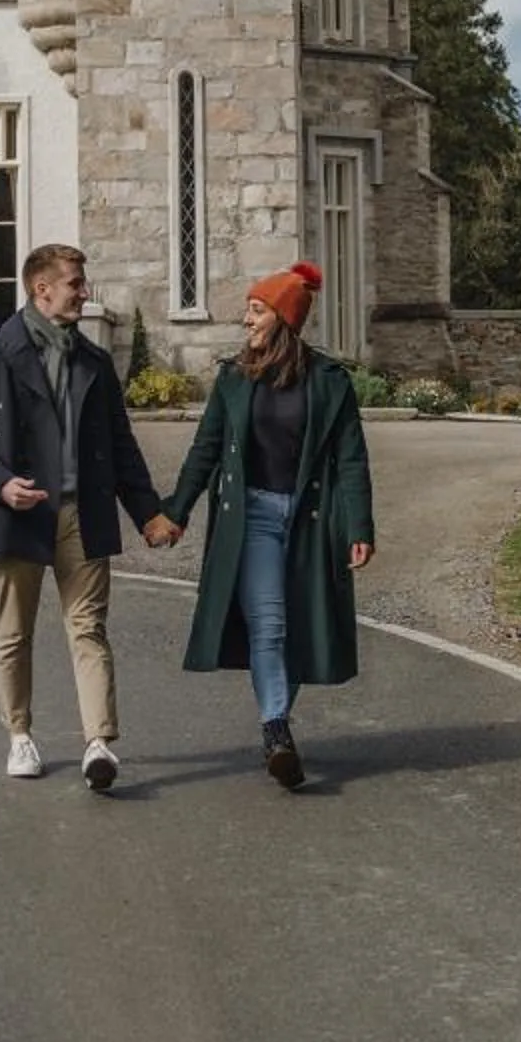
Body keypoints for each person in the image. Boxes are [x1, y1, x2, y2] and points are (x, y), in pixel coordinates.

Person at [0, 242, 179, 789]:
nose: (84, 292)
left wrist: (148, 513)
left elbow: (121, 446)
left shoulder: (94, 362)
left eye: (82, 282)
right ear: (42, 289)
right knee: (14, 633)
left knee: (89, 629)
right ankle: (19, 736)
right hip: (19, 514)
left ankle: (98, 744)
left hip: (84, 514)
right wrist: (0, 483)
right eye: (75, 283)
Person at [162, 262, 375, 788]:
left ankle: (276, 722)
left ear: (283, 317)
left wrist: (359, 527)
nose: (246, 320)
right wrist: (176, 510)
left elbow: (351, 459)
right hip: (252, 516)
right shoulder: (234, 378)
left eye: (256, 311)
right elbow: (206, 449)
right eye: (248, 311)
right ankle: (276, 729)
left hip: (310, 520)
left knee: (299, 626)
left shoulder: (329, 382)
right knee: (270, 624)